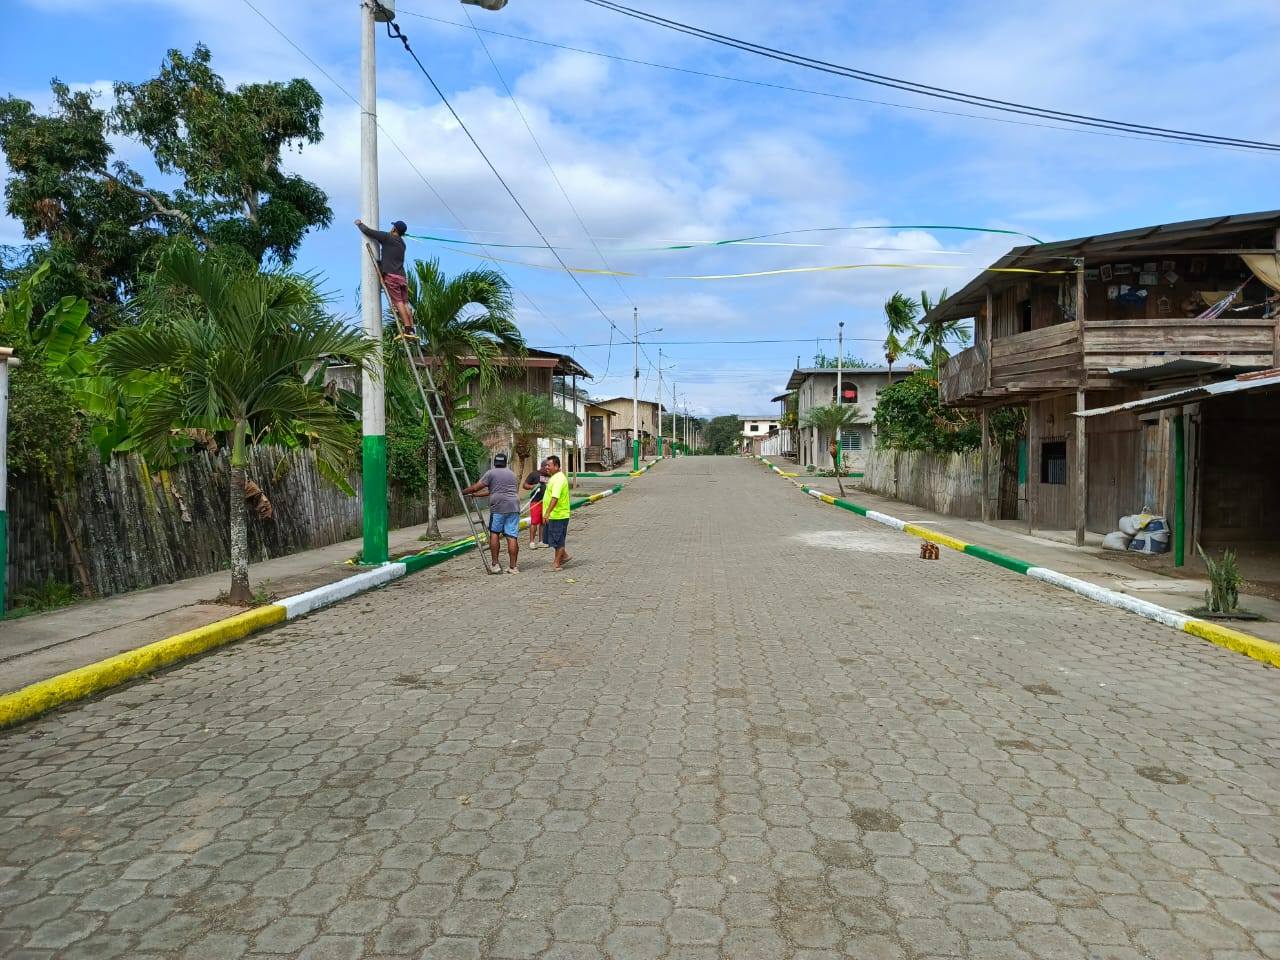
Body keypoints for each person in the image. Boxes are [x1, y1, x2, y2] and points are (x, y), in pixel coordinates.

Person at [354, 218, 414, 338]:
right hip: (402, 277)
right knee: (405, 302)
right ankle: (412, 328)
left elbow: (369, 232)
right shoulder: (403, 244)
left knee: (398, 302)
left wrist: (359, 224)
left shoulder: (387, 237)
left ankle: (407, 328)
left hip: (392, 277)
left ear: (394, 229)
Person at [462, 453, 521, 574]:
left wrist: (463, 492)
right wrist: (476, 495)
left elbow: (476, 487)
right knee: (512, 536)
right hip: (514, 507)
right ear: (505, 462)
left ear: (494, 462)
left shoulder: (491, 473)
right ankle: (513, 567)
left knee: (494, 533)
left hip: (498, 508)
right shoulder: (512, 474)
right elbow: (494, 491)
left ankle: (495, 564)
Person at [540, 454, 572, 571]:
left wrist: (547, 512)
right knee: (554, 539)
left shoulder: (558, 479)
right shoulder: (554, 477)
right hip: (554, 515)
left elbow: (555, 497)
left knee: (558, 540)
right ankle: (564, 556)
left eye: (549, 465)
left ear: (556, 466)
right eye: (546, 465)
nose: (546, 467)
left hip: (558, 515)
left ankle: (556, 564)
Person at [523, 461, 549, 550]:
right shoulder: (533, 474)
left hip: (546, 502)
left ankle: (541, 541)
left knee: (543, 522)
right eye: (547, 468)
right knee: (534, 522)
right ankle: (532, 542)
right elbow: (524, 485)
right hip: (535, 502)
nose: (548, 469)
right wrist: (532, 486)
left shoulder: (549, 476)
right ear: (542, 467)